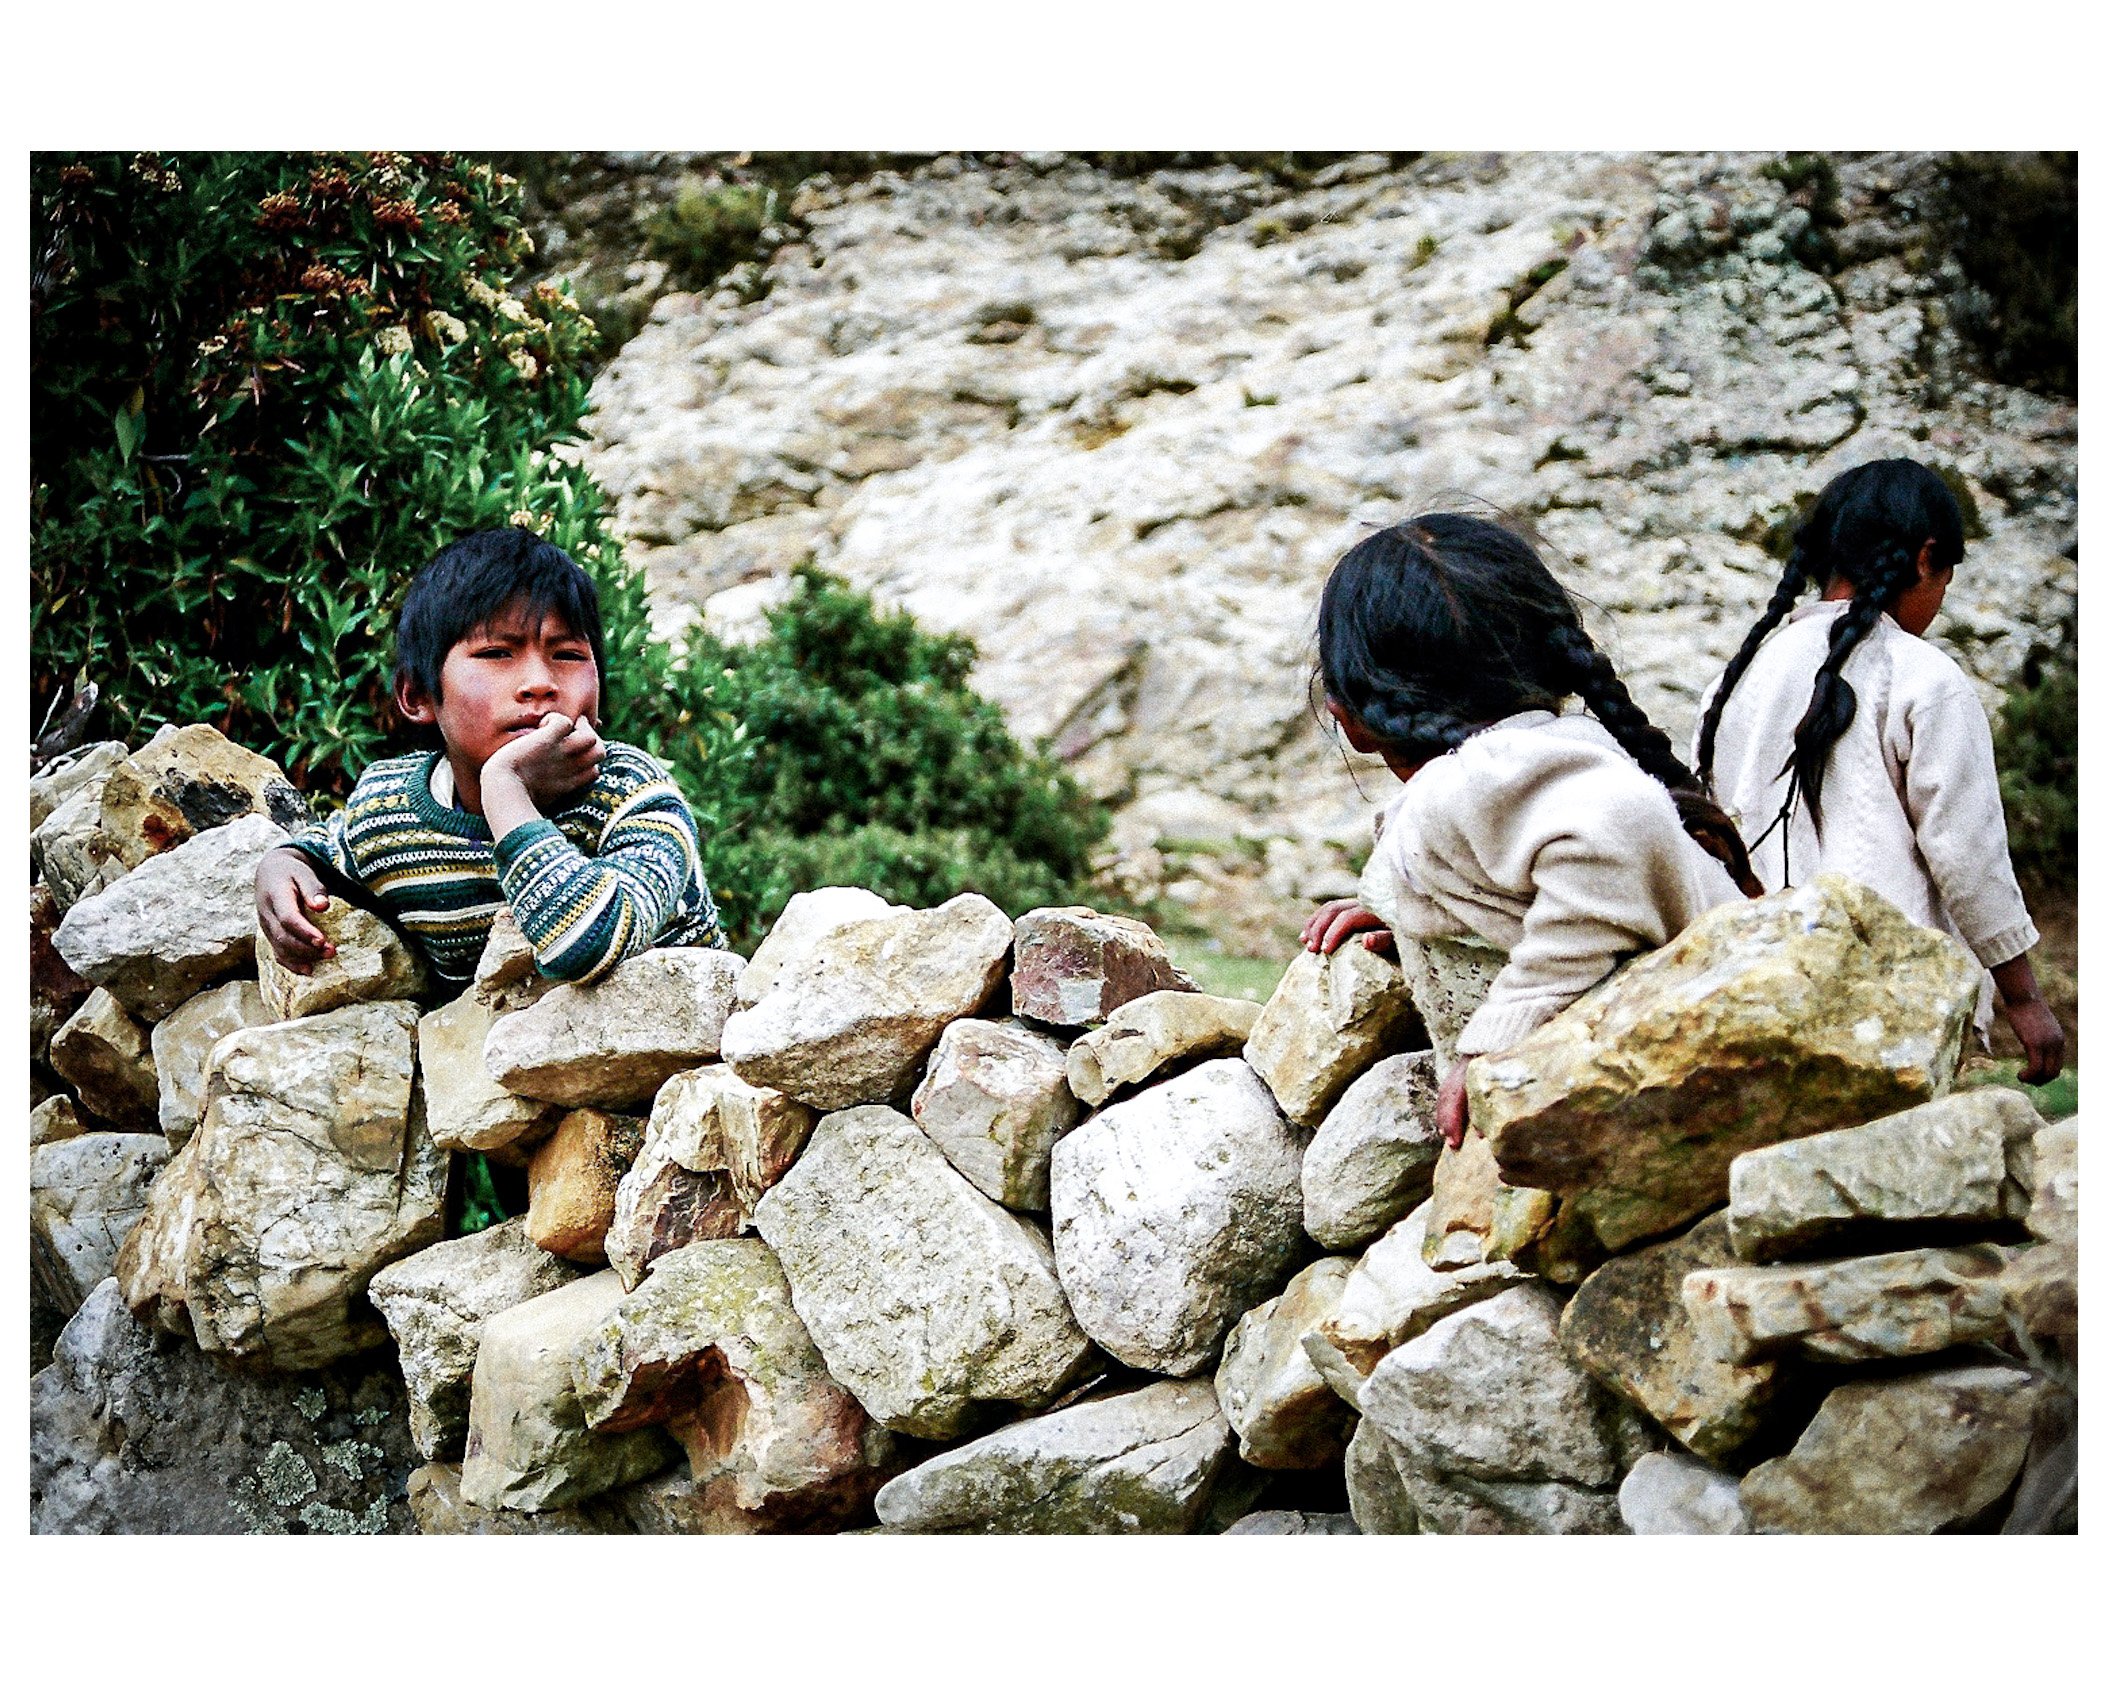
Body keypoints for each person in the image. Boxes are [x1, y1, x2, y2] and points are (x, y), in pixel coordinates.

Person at [1300, 514, 1759, 1149]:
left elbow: (1619, 822)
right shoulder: (1534, 759)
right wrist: (1420, 913)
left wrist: (1501, 1038)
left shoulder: (1485, 772)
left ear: (1346, 715)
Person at [1692, 457, 2063, 1081]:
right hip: (1896, 1006)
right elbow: (1966, 851)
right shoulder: (1926, 679)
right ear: (1925, 558)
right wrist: (2022, 998)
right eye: (1945, 579)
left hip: (1756, 999)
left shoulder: (1732, 686)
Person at [255, 526, 724, 990]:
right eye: (497, 653)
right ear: (417, 695)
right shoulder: (388, 808)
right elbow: (326, 850)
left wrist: (505, 787)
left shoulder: (632, 792)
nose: (540, 683)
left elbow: (588, 943)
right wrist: (284, 863)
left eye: (567, 655)